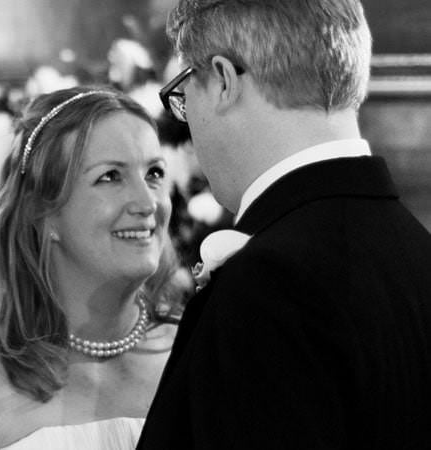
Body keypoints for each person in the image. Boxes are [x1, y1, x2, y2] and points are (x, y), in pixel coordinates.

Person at [138, 1, 431, 449]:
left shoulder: (269, 288)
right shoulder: (416, 249)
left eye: (183, 91)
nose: (187, 120)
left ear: (222, 80)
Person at [0, 86, 180, 449]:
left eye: (155, 173)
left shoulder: (194, 353)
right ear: (43, 212)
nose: (148, 203)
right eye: (111, 176)